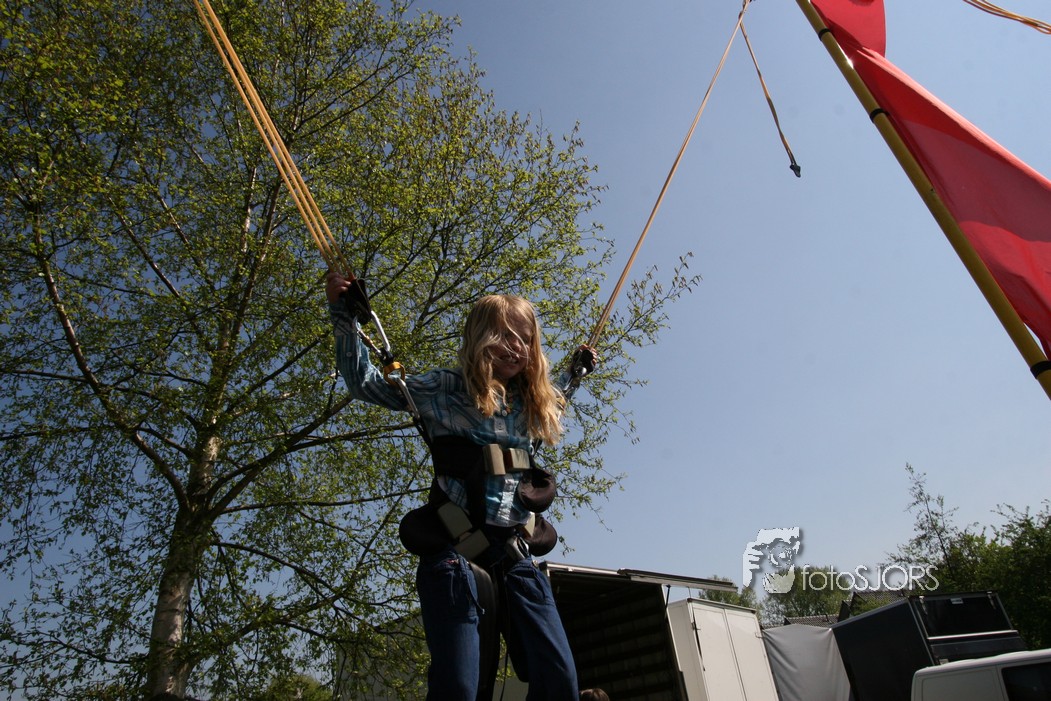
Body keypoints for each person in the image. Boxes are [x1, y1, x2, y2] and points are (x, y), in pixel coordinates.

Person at [326, 271, 594, 700]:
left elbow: (559, 393)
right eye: (505, 336)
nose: (517, 347)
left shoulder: (531, 403)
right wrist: (345, 316)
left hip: (514, 553)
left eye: (525, 339)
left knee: (560, 679)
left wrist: (575, 370)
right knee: (459, 687)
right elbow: (367, 384)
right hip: (454, 550)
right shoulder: (446, 388)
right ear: (480, 338)